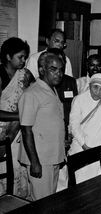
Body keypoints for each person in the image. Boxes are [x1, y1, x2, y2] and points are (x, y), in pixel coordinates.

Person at [18, 51, 66, 200]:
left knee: (49, 201)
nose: (58, 74)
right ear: (41, 70)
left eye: (61, 70)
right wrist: (35, 162)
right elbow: (26, 130)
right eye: (53, 69)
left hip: (53, 157)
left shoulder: (52, 90)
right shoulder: (31, 93)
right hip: (40, 159)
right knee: (42, 203)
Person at [68, 73, 101, 184]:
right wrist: (85, 146)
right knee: (80, 181)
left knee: (100, 182)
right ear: (90, 86)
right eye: (95, 87)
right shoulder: (78, 100)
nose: (98, 91)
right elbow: (74, 125)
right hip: (81, 147)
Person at [0, 37, 34, 198]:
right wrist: (20, 115)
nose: (23, 61)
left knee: (18, 170)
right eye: (20, 57)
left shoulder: (25, 75)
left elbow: (36, 95)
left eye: (25, 57)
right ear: (8, 56)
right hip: (2, 133)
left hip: (19, 133)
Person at [48, 48, 78, 192]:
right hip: (51, 134)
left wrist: (71, 131)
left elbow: (74, 108)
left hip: (67, 130)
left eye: (63, 62)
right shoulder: (45, 83)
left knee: (64, 172)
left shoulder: (71, 81)